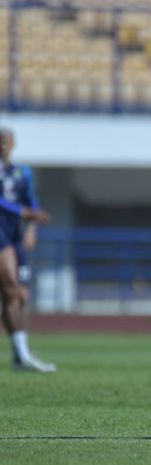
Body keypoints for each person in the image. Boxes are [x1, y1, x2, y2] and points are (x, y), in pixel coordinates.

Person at [0, 128, 55, 372]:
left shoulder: (23, 172)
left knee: (21, 296)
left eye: (6, 142)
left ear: (13, 145)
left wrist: (31, 227)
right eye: (0, 141)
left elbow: (31, 200)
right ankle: (22, 355)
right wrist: (25, 213)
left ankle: (19, 355)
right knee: (11, 291)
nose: (3, 145)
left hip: (16, 236)